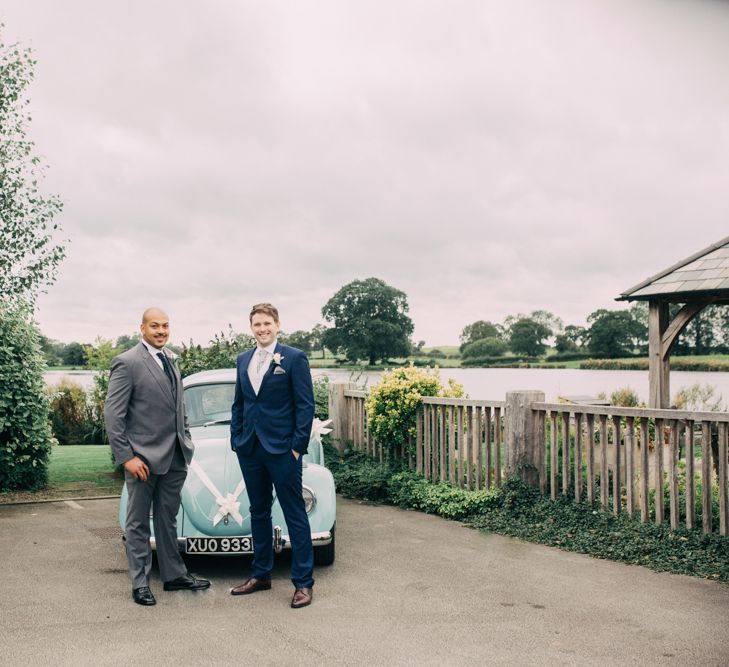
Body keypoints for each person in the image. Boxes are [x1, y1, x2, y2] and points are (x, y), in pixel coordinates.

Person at [104, 307, 210, 606]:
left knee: (168, 519)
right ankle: (140, 583)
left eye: (165, 326)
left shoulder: (169, 359)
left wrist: (185, 439)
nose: (161, 331)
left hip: (175, 458)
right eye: (155, 326)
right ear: (142, 328)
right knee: (138, 523)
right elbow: (113, 415)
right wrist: (127, 457)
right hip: (142, 461)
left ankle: (174, 576)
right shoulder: (127, 363)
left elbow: (178, 407)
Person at [230, 303, 316, 608]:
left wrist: (296, 446)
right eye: (257, 324)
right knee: (259, 511)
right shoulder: (243, 359)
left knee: (294, 511)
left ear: (277, 325)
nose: (262, 329)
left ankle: (303, 583)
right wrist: (236, 439)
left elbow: (305, 406)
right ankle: (261, 574)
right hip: (250, 448)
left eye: (267, 323)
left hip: (283, 450)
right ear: (251, 328)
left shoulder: (293, 358)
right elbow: (240, 403)